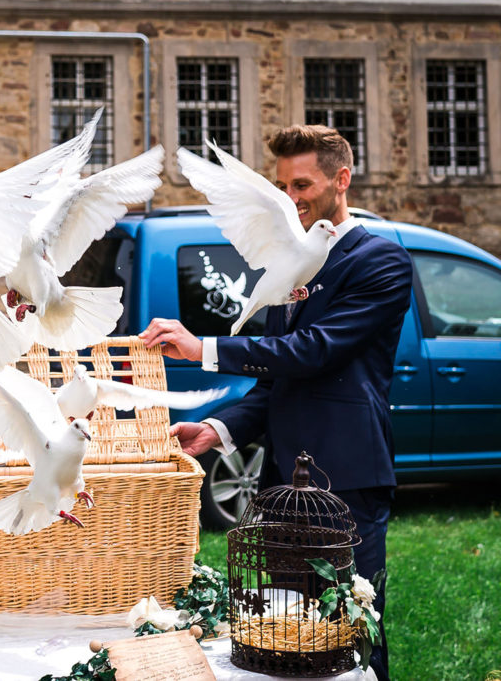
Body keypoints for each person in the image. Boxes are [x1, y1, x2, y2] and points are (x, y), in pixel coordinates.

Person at [140, 124, 411, 681]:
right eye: (283, 185)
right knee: (288, 630)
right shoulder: (293, 258)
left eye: (303, 184)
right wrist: (219, 428)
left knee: (352, 627)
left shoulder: (380, 260)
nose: (292, 198)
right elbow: (275, 383)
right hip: (282, 481)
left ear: (342, 179)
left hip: (347, 478)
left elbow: (314, 352)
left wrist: (205, 348)